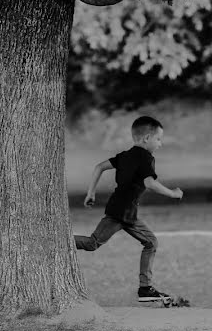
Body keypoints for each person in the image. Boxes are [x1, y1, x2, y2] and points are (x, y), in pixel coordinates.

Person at [74, 116, 183, 302]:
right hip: (122, 213)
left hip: (122, 210)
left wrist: (90, 193)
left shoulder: (125, 155)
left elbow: (99, 167)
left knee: (150, 242)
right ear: (147, 138)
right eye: (158, 139)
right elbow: (149, 182)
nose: (160, 144)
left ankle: (145, 289)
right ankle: (145, 289)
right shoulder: (146, 158)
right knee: (94, 243)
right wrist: (172, 193)